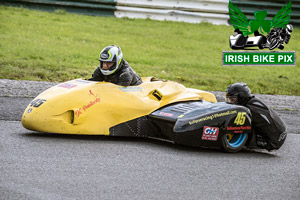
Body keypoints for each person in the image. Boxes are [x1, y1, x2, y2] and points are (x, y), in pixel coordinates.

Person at [225, 82, 287, 151]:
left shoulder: (251, 108)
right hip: (280, 135)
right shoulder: (250, 102)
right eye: (229, 99)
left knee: (242, 117)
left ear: (241, 97)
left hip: (272, 141)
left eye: (232, 99)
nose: (230, 102)